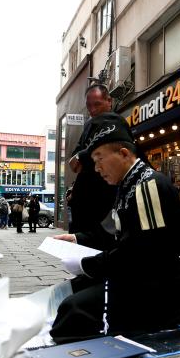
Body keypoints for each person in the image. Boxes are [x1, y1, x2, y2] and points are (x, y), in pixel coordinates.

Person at [50, 113, 180, 343]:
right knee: (70, 290)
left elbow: (144, 255)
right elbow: (111, 233)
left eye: (99, 159)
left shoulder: (148, 186)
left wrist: (87, 265)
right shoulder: (126, 185)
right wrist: (77, 239)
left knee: (73, 310)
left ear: (124, 153)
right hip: (139, 276)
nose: (96, 168)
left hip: (158, 292)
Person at [67, 85, 119, 247]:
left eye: (97, 104)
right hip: (83, 201)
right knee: (80, 247)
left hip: (103, 199)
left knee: (99, 245)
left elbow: (83, 158)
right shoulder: (89, 125)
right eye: (89, 106)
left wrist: (83, 155)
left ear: (109, 101)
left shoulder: (115, 123)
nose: (92, 110)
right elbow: (73, 164)